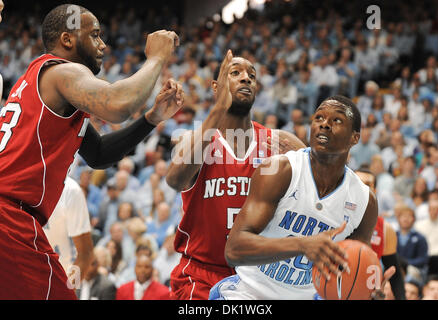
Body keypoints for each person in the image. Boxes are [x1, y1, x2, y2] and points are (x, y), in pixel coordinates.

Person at [0, 4, 183, 299]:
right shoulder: (62, 71)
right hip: (9, 218)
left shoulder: (44, 86)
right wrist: (157, 58)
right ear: (67, 39)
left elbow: (98, 154)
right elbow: (116, 104)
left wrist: (152, 119)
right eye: (95, 35)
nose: (103, 45)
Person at [210, 95, 395, 300]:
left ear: (354, 137)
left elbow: (351, 273)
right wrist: (302, 245)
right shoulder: (280, 170)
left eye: (336, 120)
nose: (324, 124)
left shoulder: (364, 201)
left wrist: (365, 293)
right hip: (251, 291)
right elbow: (234, 249)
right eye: (319, 118)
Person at [166, 51, 305, 300]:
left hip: (261, 278)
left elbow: (319, 191)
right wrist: (218, 108)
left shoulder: (280, 143)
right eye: (236, 73)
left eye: (252, 76)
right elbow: (174, 180)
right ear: (216, 86)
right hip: (202, 276)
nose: (246, 79)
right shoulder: (193, 141)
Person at [355, 166, 406, 300]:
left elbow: (395, 274)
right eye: (356, 183)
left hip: (366, 293)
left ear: (375, 191)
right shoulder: (334, 218)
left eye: (367, 185)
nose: (361, 188)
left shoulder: (385, 229)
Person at [44, 176, 94, 287]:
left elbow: (86, 253)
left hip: (59, 280)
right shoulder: (17, 181)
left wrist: (69, 290)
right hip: (26, 280)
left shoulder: (70, 190)